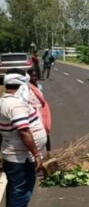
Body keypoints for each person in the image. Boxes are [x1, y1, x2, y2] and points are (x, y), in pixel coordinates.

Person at [0, 69, 47, 207]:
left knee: (16, 190)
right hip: (21, 158)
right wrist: (36, 154)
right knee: (21, 192)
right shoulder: (15, 105)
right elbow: (24, 131)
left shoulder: (4, 101)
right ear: (21, 87)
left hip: (15, 156)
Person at [27, 68, 52, 151]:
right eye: (32, 76)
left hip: (40, 112)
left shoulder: (39, 87)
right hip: (33, 113)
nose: (34, 77)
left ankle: (48, 153)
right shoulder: (27, 88)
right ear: (28, 77)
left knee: (45, 133)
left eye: (36, 76)